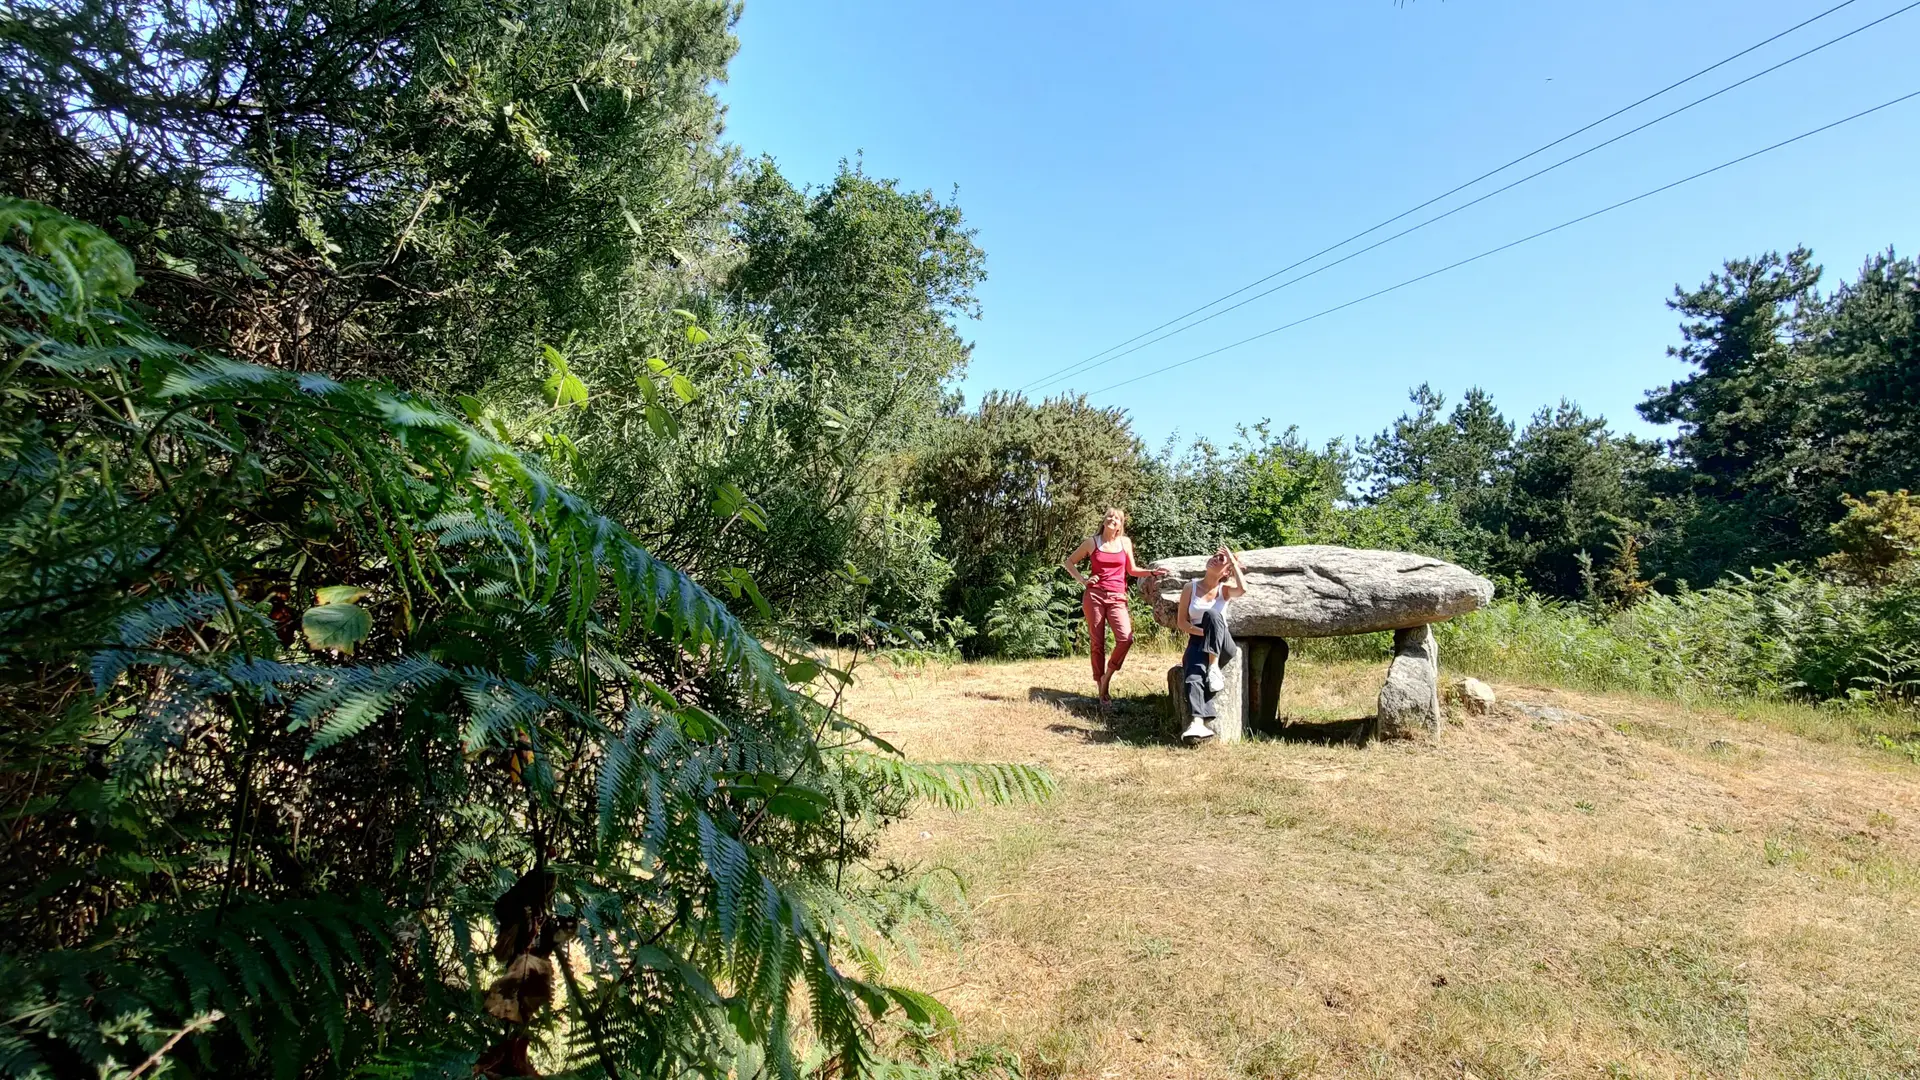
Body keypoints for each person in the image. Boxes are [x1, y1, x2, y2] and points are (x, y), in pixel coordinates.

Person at [1062, 508, 1168, 704]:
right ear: (1104, 521)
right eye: (1110, 516)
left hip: (1117, 597)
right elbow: (1068, 562)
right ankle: (1101, 689)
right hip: (1094, 596)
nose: (1113, 519)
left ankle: (1106, 678)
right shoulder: (1092, 542)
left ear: (1121, 525)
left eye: (1117, 518)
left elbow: (1132, 570)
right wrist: (1084, 580)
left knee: (1126, 638)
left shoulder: (1125, 543)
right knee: (1097, 643)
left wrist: (1152, 573)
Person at [1175, 544, 1248, 740]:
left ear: (1226, 572)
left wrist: (1232, 562)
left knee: (1213, 615)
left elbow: (1243, 589)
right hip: (1198, 639)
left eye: (1221, 559)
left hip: (1223, 642)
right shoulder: (1190, 587)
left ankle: (1214, 667)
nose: (1215, 558)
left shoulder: (1224, 589)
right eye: (1214, 556)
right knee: (1193, 673)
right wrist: (1204, 633)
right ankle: (1198, 723)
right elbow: (1182, 622)